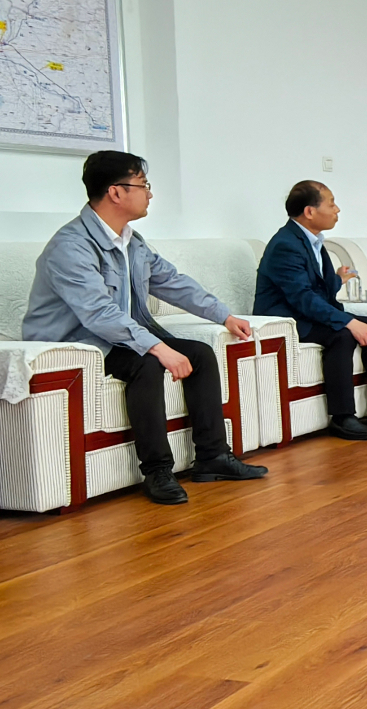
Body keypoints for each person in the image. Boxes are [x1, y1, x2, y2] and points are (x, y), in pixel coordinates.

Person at [23, 151, 268, 505]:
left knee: (199, 354)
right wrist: (157, 346)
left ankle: (212, 456)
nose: (150, 193)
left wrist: (224, 315)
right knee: (147, 363)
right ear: (116, 192)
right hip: (74, 346)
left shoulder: (132, 242)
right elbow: (99, 313)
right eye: (143, 185)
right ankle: (157, 471)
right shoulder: (71, 246)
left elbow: (173, 282)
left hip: (114, 338)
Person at [254, 181, 367, 439]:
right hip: (288, 320)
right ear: (310, 211)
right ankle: (343, 417)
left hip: (307, 313)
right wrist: (348, 321)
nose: (337, 210)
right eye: (331, 203)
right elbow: (302, 298)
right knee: (342, 334)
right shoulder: (285, 245)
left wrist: (337, 279)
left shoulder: (313, 241)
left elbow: (316, 289)